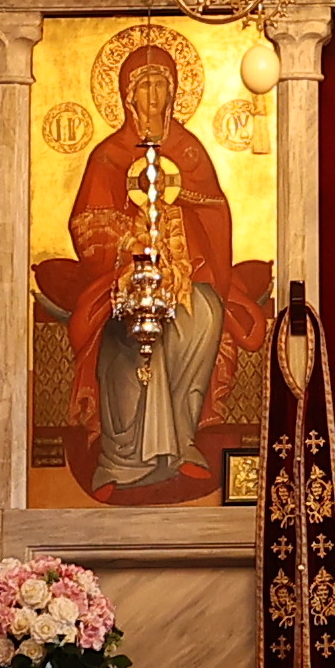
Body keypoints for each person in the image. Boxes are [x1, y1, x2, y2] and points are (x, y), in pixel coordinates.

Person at [60, 37, 259, 494]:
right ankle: (121, 459)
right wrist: (127, 237)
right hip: (124, 282)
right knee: (128, 335)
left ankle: (181, 441)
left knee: (204, 315)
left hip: (184, 278)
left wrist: (178, 209)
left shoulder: (189, 153)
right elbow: (86, 224)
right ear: (127, 95)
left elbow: (216, 212)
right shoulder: (107, 156)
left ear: (174, 92)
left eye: (161, 84)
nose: (153, 95)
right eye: (144, 85)